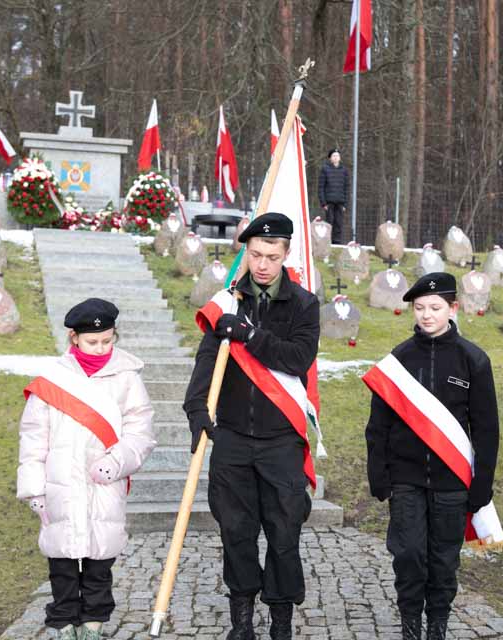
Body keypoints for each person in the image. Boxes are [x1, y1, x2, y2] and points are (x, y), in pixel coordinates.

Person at [183, 212, 320, 640]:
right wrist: (196, 410)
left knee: (284, 534)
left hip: (281, 440)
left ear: (286, 254)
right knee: (236, 534)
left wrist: (249, 336)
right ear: (246, 253)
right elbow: (207, 362)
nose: (262, 265)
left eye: (271, 257)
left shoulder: (304, 304)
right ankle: (242, 624)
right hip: (234, 438)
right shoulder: (228, 301)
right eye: (255, 255)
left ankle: (281, 624)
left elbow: (298, 358)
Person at [363, 272, 499, 640]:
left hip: (452, 481)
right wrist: (379, 474)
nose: (427, 315)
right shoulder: (399, 359)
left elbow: (486, 428)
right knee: (408, 555)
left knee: (443, 561)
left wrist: (482, 483)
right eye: (420, 308)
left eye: (435, 308)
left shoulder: (474, 360)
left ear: (453, 308)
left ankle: (437, 627)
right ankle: (410, 627)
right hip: (405, 478)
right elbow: (378, 425)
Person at [17, 298, 156, 640]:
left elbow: (141, 433)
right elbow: (33, 439)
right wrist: (34, 490)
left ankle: (94, 621)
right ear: (74, 338)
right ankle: (62, 622)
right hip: (60, 484)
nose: (101, 348)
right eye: (92, 342)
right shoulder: (53, 380)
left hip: (104, 484)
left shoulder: (127, 378)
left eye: (107, 340)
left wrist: (116, 461)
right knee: (62, 561)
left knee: (99, 561)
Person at [317, 148, 350, 245]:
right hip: (329, 202)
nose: (336, 157)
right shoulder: (325, 169)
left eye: (337, 156)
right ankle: (328, 241)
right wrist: (323, 203)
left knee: (338, 223)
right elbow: (321, 187)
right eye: (334, 156)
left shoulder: (344, 170)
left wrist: (345, 204)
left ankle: (337, 243)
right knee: (329, 222)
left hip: (340, 202)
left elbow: (347, 187)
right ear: (330, 158)